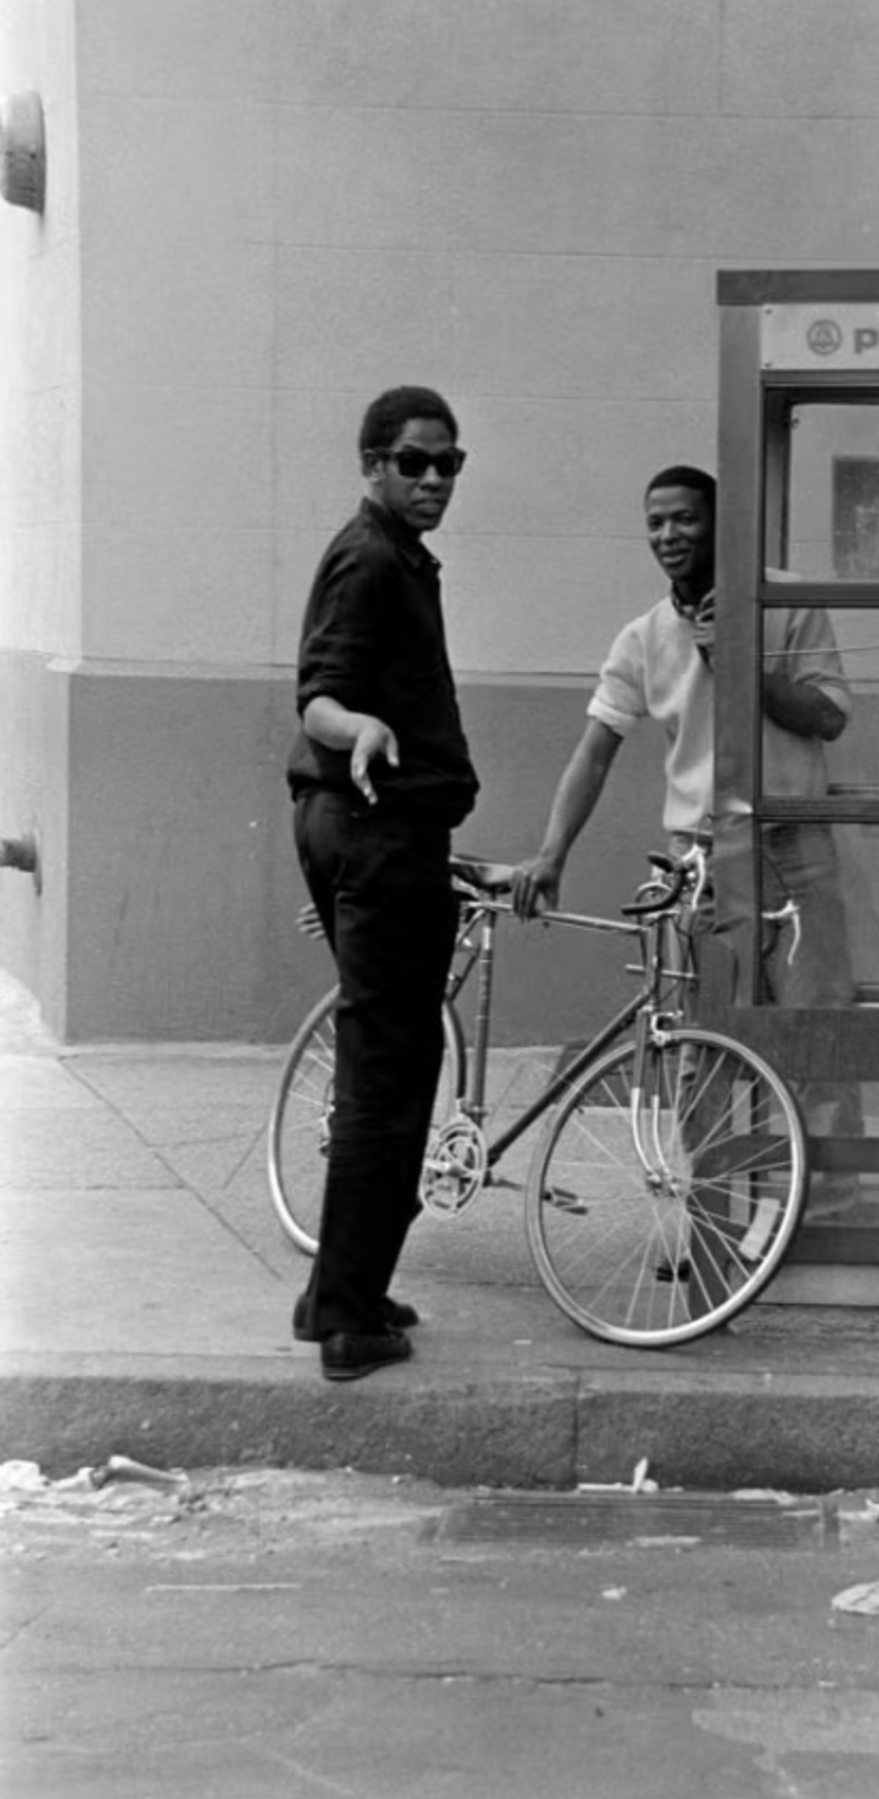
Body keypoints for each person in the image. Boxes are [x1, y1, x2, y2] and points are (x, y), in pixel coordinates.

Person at [511, 465, 861, 1141]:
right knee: (700, 1042)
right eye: (655, 523)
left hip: (792, 846)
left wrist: (742, 666)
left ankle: (830, 1200)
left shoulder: (789, 602)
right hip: (700, 860)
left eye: (685, 519)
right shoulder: (643, 636)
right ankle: (709, 1205)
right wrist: (552, 853)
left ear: (722, 526)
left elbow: (829, 716)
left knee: (819, 1035)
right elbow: (594, 752)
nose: (668, 535)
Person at [285, 386, 479, 1381]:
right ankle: (349, 1321)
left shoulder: (395, 555)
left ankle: (341, 1288)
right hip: (377, 831)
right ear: (372, 464)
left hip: (373, 831)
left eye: (449, 463)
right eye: (414, 462)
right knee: (389, 1073)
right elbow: (318, 696)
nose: (434, 478)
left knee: (391, 1062)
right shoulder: (368, 559)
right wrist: (358, 727)